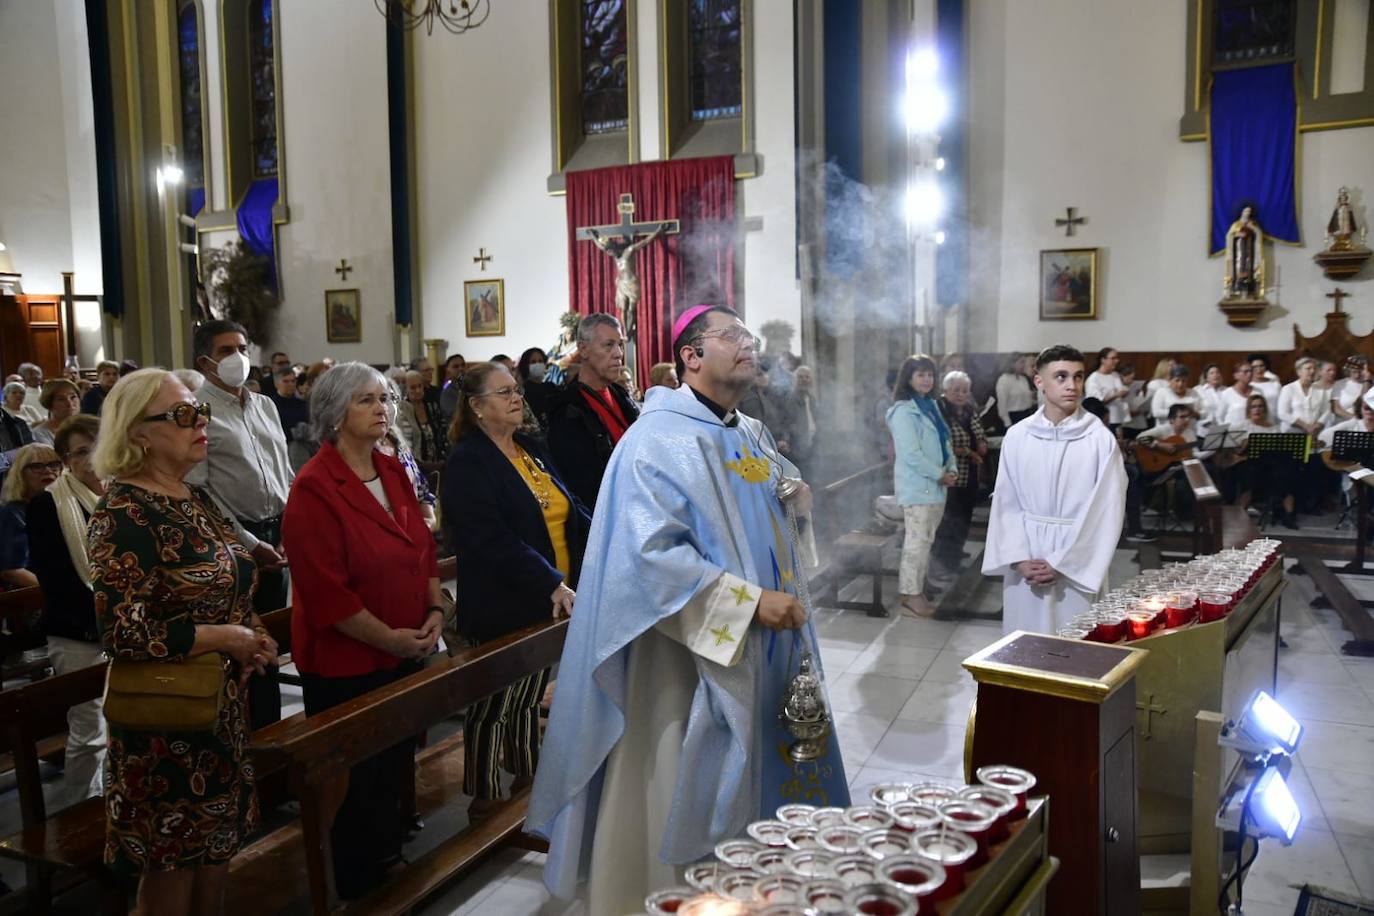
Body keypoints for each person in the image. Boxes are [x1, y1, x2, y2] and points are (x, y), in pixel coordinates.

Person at [527, 305, 847, 914]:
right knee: (677, 774)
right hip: (684, 663)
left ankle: (757, 883)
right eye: (733, 336)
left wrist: (795, 496)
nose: (749, 343)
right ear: (691, 356)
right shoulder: (655, 441)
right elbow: (647, 559)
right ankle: (673, 898)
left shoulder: (746, 431)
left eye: (749, 334)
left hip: (768, 645)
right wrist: (749, 604)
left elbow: (774, 490)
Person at [88, 368, 275, 915]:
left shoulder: (195, 497)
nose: (200, 424)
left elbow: (233, 580)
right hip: (163, 729)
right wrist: (227, 636)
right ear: (139, 433)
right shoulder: (124, 513)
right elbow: (122, 630)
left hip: (218, 715)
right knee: (169, 883)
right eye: (182, 415)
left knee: (213, 869)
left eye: (201, 412)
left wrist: (254, 632)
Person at [281, 362, 442, 900]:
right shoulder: (314, 487)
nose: (382, 410)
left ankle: (389, 860)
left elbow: (422, 545)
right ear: (334, 414)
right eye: (366, 401)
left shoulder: (393, 469)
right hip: (346, 660)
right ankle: (357, 883)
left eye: (385, 399)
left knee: (394, 763)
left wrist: (435, 607)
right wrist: (392, 638)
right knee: (355, 779)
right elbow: (328, 594)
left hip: (405, 644)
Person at [442, 362, 590, 821]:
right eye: (504, 392)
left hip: (550, 595)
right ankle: (484, 798)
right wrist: (550, 580)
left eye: (517, 391)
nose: (516, 398)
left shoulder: (529, 447)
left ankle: (526, 775)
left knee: (527, 694)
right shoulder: (468, 461)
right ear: (477, 408)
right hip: (505, 597)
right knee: (494, 701)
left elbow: (570, 507)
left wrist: (609, 535)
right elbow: (489, 538)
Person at [186, 319, 292, 729]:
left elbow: (284, 470)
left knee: (270, 643)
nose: (239, 358)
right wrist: (248, 541)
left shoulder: (265, 404)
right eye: (227, 350)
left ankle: (272, 735)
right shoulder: (197, 409)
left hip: (277, 533)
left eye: (243, 348)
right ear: (206, 361)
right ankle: (248, 744)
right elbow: (200, 490)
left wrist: (290, 526)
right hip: (231, 539)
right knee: (240, 646)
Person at [982, 345, 1126, 635]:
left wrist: (1063, 562)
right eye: (1060, 377)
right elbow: (1006, 503)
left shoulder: (1099, 439)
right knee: (1024, 642)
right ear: (1039, 382)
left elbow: (1106, 511)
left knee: (1074, 645)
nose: (1072, 386)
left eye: (1078, 376)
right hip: (1028, 556)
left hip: (1077, 561)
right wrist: (1020, 558)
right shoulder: (1019, 435)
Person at [24, 415, 106, 809]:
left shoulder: (122, 494)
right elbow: (54, 576)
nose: (92, 458)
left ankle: (114, 807)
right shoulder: (48, 504)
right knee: (89, 732)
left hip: (123, 630)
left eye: (98, 445)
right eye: (81, 452)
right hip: (77, 632)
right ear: (65, 460)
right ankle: (80, 811)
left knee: (124, 727)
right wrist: (104, 623)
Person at [887, 354, 958, 617]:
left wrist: (951, 468)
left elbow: (945, 441)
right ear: (908, 378)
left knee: (926, 540)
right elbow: (910, 454)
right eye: (920, 374)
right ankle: (910, 594)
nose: (927, 379)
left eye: (930, 374)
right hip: (918, 487)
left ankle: (918, 586)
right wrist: (939, 474)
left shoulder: (931, 406)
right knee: (916, 543)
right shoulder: (903, 411)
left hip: (937, 485)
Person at [547, 313, 640, 507]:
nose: (618, 354)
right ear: (583, 349)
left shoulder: (620, 395)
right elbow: (581, 487)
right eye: (608, 345)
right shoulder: (567, 409)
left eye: (620, 344)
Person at [931, 370, 988, 582]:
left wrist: (981, 443)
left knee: (963, 522)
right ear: (945, 391)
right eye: (956, 390)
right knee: (947, 524)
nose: (961, 394)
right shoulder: (939, 411)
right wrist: (967, 451)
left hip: (969, 475)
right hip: (949, 477)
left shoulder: (969, 410)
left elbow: (978, 432)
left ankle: (953, 561)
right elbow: (938, 445)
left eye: (965, 390)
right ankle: (939, 566)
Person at [1230, 394, 1301, 528]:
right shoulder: (1239, 427)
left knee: (1289, 472)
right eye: (1254, 407)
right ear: (1249, 409)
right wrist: (1244, 446)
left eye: (1260, 406)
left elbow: (1281, 449)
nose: (1257, 410)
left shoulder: (1274, 428)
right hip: (1248, 462)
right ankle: (1241, 512)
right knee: (1249, 473)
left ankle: (1289, 514)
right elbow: (1233, 451)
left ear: (1265, 409)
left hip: (1271, 463)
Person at [1, 443, 61, 590]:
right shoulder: (12, 513)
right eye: (37, 466)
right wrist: (56, 593)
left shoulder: (61, 507)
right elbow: (12, 571)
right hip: (29, 597)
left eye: (53, 464)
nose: (48, 471)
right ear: (20, 474)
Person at [396, 368, 448, 477]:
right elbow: (406, 442)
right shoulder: (403, 410)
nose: (418, 390)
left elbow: (441, 430)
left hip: (438, 463)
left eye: (420, 386)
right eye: (413, 387)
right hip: (418, 465)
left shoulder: (431, 406)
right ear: (406, 389)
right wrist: (421, 464)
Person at [739, 357, 794, 452]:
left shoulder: (767, 396)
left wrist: (782, 439)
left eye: (765, 374)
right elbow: (755, 431)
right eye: (759, 374)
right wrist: (775, 443)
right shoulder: (751, 399)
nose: (765, 376)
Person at [783, 364, 819, 471]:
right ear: (795, 380)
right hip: (796, 448)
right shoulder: (790, 399)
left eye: (807, 377)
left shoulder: (812, 399)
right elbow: (785, 422)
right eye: (800, 377)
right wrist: (786, 439)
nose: (804, 380)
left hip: (812, 445)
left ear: (811, 380)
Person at [1085, 347, 1130, 430]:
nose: (1116, 361)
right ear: (1103, 360)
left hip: (1118, 417)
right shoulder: (1094, 378)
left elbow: (1120, 391)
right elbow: (1095, 403)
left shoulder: (1115, 375)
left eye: (1117, 358)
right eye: (1113, 358)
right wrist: (1116, 395)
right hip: (1105, 420)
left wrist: (1124, 393)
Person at [29, 379, 82, 447]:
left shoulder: (89, 427)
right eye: (61, 399)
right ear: (49, 403)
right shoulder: (39, 434)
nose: (69, 403)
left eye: (73, 397)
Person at [516, 346, 558, 430]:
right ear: (526, 365)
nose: (537, 364)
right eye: (533, 362)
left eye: (540, 361)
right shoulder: (522, 391)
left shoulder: (551, 387)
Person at [995, 353, 1036, 429]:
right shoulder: (1004, 380)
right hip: (1013, 417)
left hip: (1026, 415)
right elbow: (1002, 406)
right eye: (1021, 362)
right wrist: (1008, 424)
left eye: (1024, 362)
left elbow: (1028, 400)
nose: (1024, 365)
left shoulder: (1023, 379)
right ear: (1012, 363)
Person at [1195, 363, 1228, 427]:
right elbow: (1196, 411)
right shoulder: (1199, 391)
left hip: (1223, 427)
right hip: (1204, 428)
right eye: (1212, 373)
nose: (1215, 375)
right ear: (1206, 377)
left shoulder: (1227, 391)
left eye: (1217, 372)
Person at [1248, 353, 1282, 417]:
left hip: (1276, 420)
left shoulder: (1275, 383)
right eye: (1255, 367)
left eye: (1261, 366)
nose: (1259, 369)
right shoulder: (1249, 385)